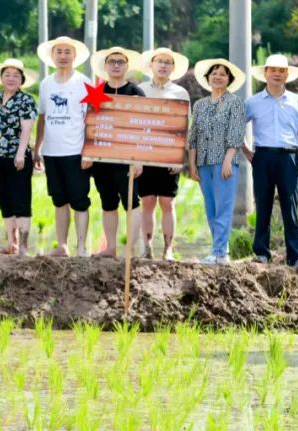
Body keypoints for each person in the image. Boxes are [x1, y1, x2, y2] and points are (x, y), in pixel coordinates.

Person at [242, 54, 298, 271]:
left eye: (281, 70)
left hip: (288, 157)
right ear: (265, 73)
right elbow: (237, 128)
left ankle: (296, 256)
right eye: (273, 70)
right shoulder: (253, 101)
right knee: (262, 204)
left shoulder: (297, 101)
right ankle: (261, 253)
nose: (277, 74)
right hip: (262, 157)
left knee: (289, 207)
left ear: (287, 75)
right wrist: (248, 152)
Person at [33, 36, 93, 258]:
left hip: (76, 153)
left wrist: (90, 152)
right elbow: (43, 117)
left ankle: (82, 247)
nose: (63, 56)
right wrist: (37, 147)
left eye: (67, 52)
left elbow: (93, 121)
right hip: (51, 152)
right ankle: (62, 245)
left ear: (75, 56)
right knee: (59, 200)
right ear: (52, 56)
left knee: (79, 200)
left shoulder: (85, 83)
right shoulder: (46, 84)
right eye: (59, 52)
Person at [188, 59, 247, 266]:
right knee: (211, 208)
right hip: (203, 163)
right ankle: (222, 251)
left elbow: (236, 133)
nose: (218, 77)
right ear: (208, 78)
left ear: (229, 79)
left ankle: (218, 252)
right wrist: (192, 164)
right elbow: (193, 136)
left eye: (223, 74)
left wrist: (228, 160)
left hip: (224, 162)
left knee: (224, 207)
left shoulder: (235, 103)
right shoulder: (200, 105)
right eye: (214, 73)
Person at [87, 47, 145, 258]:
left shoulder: (136, 93)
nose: (116, 65)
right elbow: (90, 125)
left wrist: (138, 159)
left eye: (121, 61)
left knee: (131, 202)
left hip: (128, 158)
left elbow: (142, 128)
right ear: (106, 65)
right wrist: (88, 155)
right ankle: (110, 247)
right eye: (112, 61)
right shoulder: (97, 92)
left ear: (127, 66)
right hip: (102, 157)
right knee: (107, 202)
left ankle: (130, 249)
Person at [137, 47, 191, 260]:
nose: (163, 65)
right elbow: (134, 125)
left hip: (169, 154)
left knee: (168, 202)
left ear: (173, 68)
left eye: (168, 62)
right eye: (159, 61)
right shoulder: (139, 90)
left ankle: (168, 249)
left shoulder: (180, 93)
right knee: (147, 201)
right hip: (145, 154)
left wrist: (180, 157)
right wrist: (136, 159)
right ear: (151, 65)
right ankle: (147, 247)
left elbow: (184, 128)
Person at [0, 58, 38, 257]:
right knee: (4, 199)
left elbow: (27, 129)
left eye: (16, 75)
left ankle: (23, 246)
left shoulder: (26, 100)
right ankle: (11, 243)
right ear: (1, 78)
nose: (11, 78)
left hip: (19, 156)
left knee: (21, 199)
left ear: (22, 80)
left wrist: (20, 153)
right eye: (7, 74)